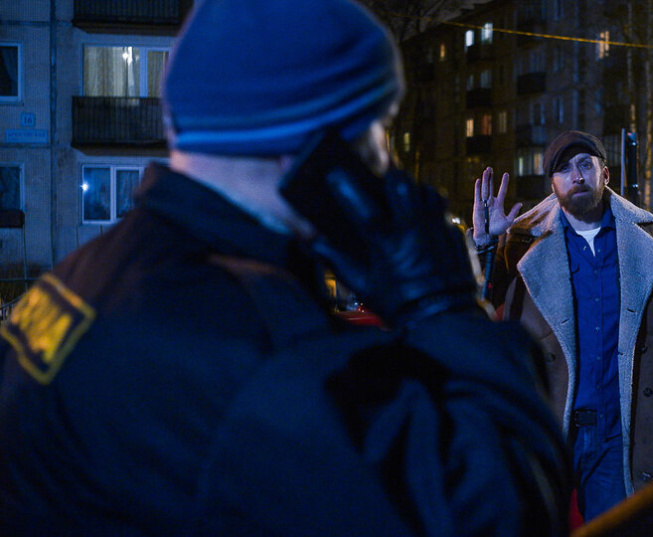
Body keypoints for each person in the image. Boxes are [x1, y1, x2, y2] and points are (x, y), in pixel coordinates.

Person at [0, 1, 571, 535]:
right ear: (320, 150)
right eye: (378, 130)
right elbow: (501, 509)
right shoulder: (260, 348)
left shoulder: (91, 272)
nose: (387, 162)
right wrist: (444, 305)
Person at [472, 130, 653, 522]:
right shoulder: (522, 244)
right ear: (553, 184)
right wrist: (486, 248)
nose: (576, 175)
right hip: (548, 430)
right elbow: (478, 314)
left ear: (605, 174)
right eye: (563, 169)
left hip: (620, 434)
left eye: (585, 164)